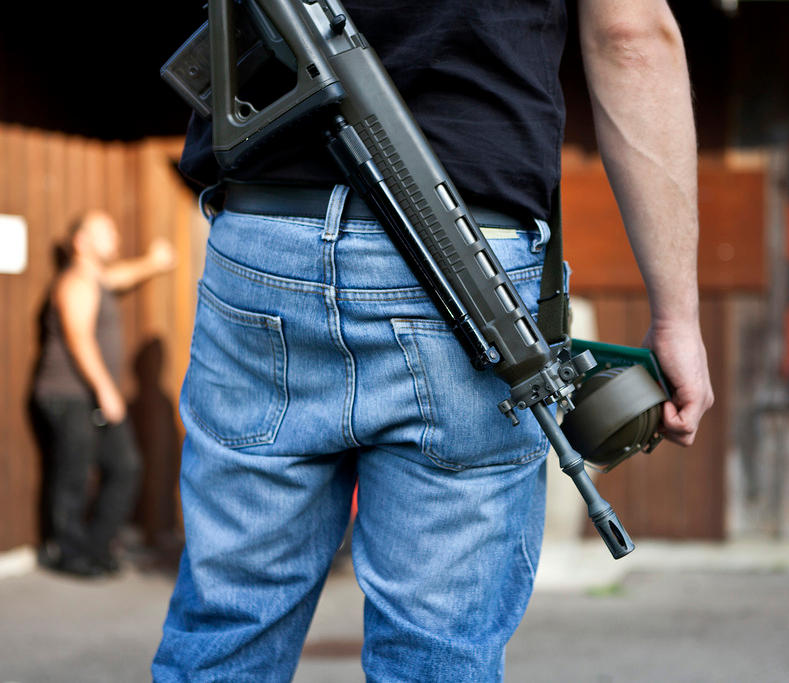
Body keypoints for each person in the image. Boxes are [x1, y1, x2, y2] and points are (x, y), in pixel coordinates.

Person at [153, 0, 713, 679]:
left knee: (226, 631)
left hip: (270, 235)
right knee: (437, 652)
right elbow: (629, 34)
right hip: (469, 255)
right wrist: (677, 314)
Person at [33, 211, 176, 577]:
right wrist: (105, 390)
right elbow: (78, 339)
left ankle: (95, 547)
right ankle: (68, 553)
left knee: (125, 467)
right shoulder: (76, 282)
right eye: (104, 230)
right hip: (69, 396)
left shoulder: (97, 279)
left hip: (90, 397)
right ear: (81, 242)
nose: (114, 234)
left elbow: (121, 275)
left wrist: (153, 263)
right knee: (74, 474)